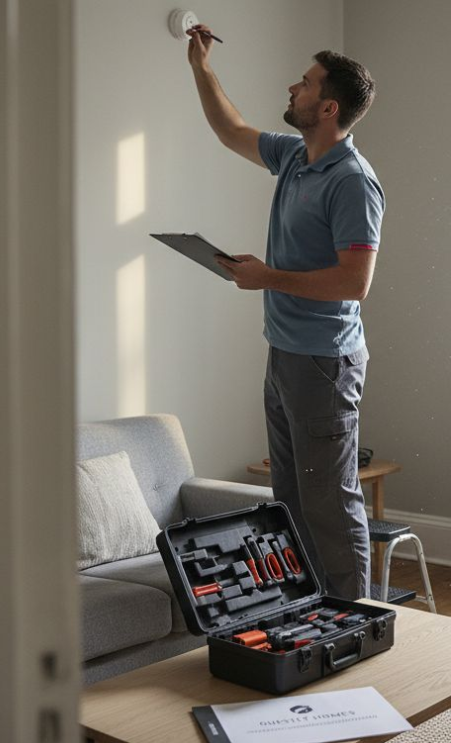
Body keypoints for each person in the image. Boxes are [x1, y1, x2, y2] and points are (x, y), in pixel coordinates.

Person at [185, 25, 385, 600]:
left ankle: (354, 619)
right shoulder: (296, 157)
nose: (293, 87)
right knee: (291, 500)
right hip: (285, 353)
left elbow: (355, 283)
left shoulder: (352, 182)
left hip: (325, 363)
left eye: (306, 82)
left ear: (328, 107)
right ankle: (307, 614)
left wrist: (267, 277)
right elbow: (231, 130)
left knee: (330, 501)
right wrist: (201, 67)